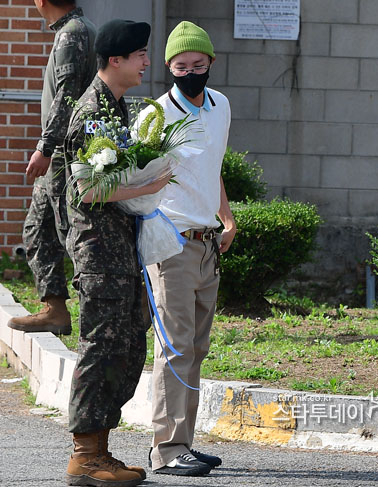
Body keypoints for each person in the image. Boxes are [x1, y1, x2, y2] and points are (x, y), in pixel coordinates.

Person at [63, 19, 172, 487]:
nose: (147, 62)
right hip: (98, 252)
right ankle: (83, 456)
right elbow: (86, 192)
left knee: (126, 346)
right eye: (140, 54)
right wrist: (149, 186)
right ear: (116, 60)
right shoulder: (91, 111)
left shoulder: (118, 108)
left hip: (120, 248)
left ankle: (101, 451)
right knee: (102, 345)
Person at [138, 21, 236, 477]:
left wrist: (227, 217)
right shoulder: (155, 117)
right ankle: (166, 449)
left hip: (207, 242)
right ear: (169, 69)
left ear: (211, 64)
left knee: (196, 346)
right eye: (182, 66)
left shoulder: (221, 107)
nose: (191, 71)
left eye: (199, 64)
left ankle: (185, 443)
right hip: (170, 242)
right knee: (174, 347)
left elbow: (212, 167)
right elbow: (136, 183)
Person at [8, 0, 96, 335]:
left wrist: (45, 146)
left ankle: (101, 311)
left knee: (69, 234)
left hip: (64, 155)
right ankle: (54, 310)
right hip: (61, 153)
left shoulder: (72, 34)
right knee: (38, 229)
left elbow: (67, 96)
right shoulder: (76, 29)